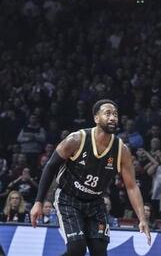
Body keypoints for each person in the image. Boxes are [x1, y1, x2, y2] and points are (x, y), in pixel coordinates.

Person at [30, 99, 151, 256]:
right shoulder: (76, 139)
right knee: (77, 249)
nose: (113, 117)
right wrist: (38, 202)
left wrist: (142, 219)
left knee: (100, 251)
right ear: (96, 118)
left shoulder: (122, 150)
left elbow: (132, 186)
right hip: (69, 199)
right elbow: (50, 167)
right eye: (107, 113)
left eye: (115, 114)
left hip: (95, 203)